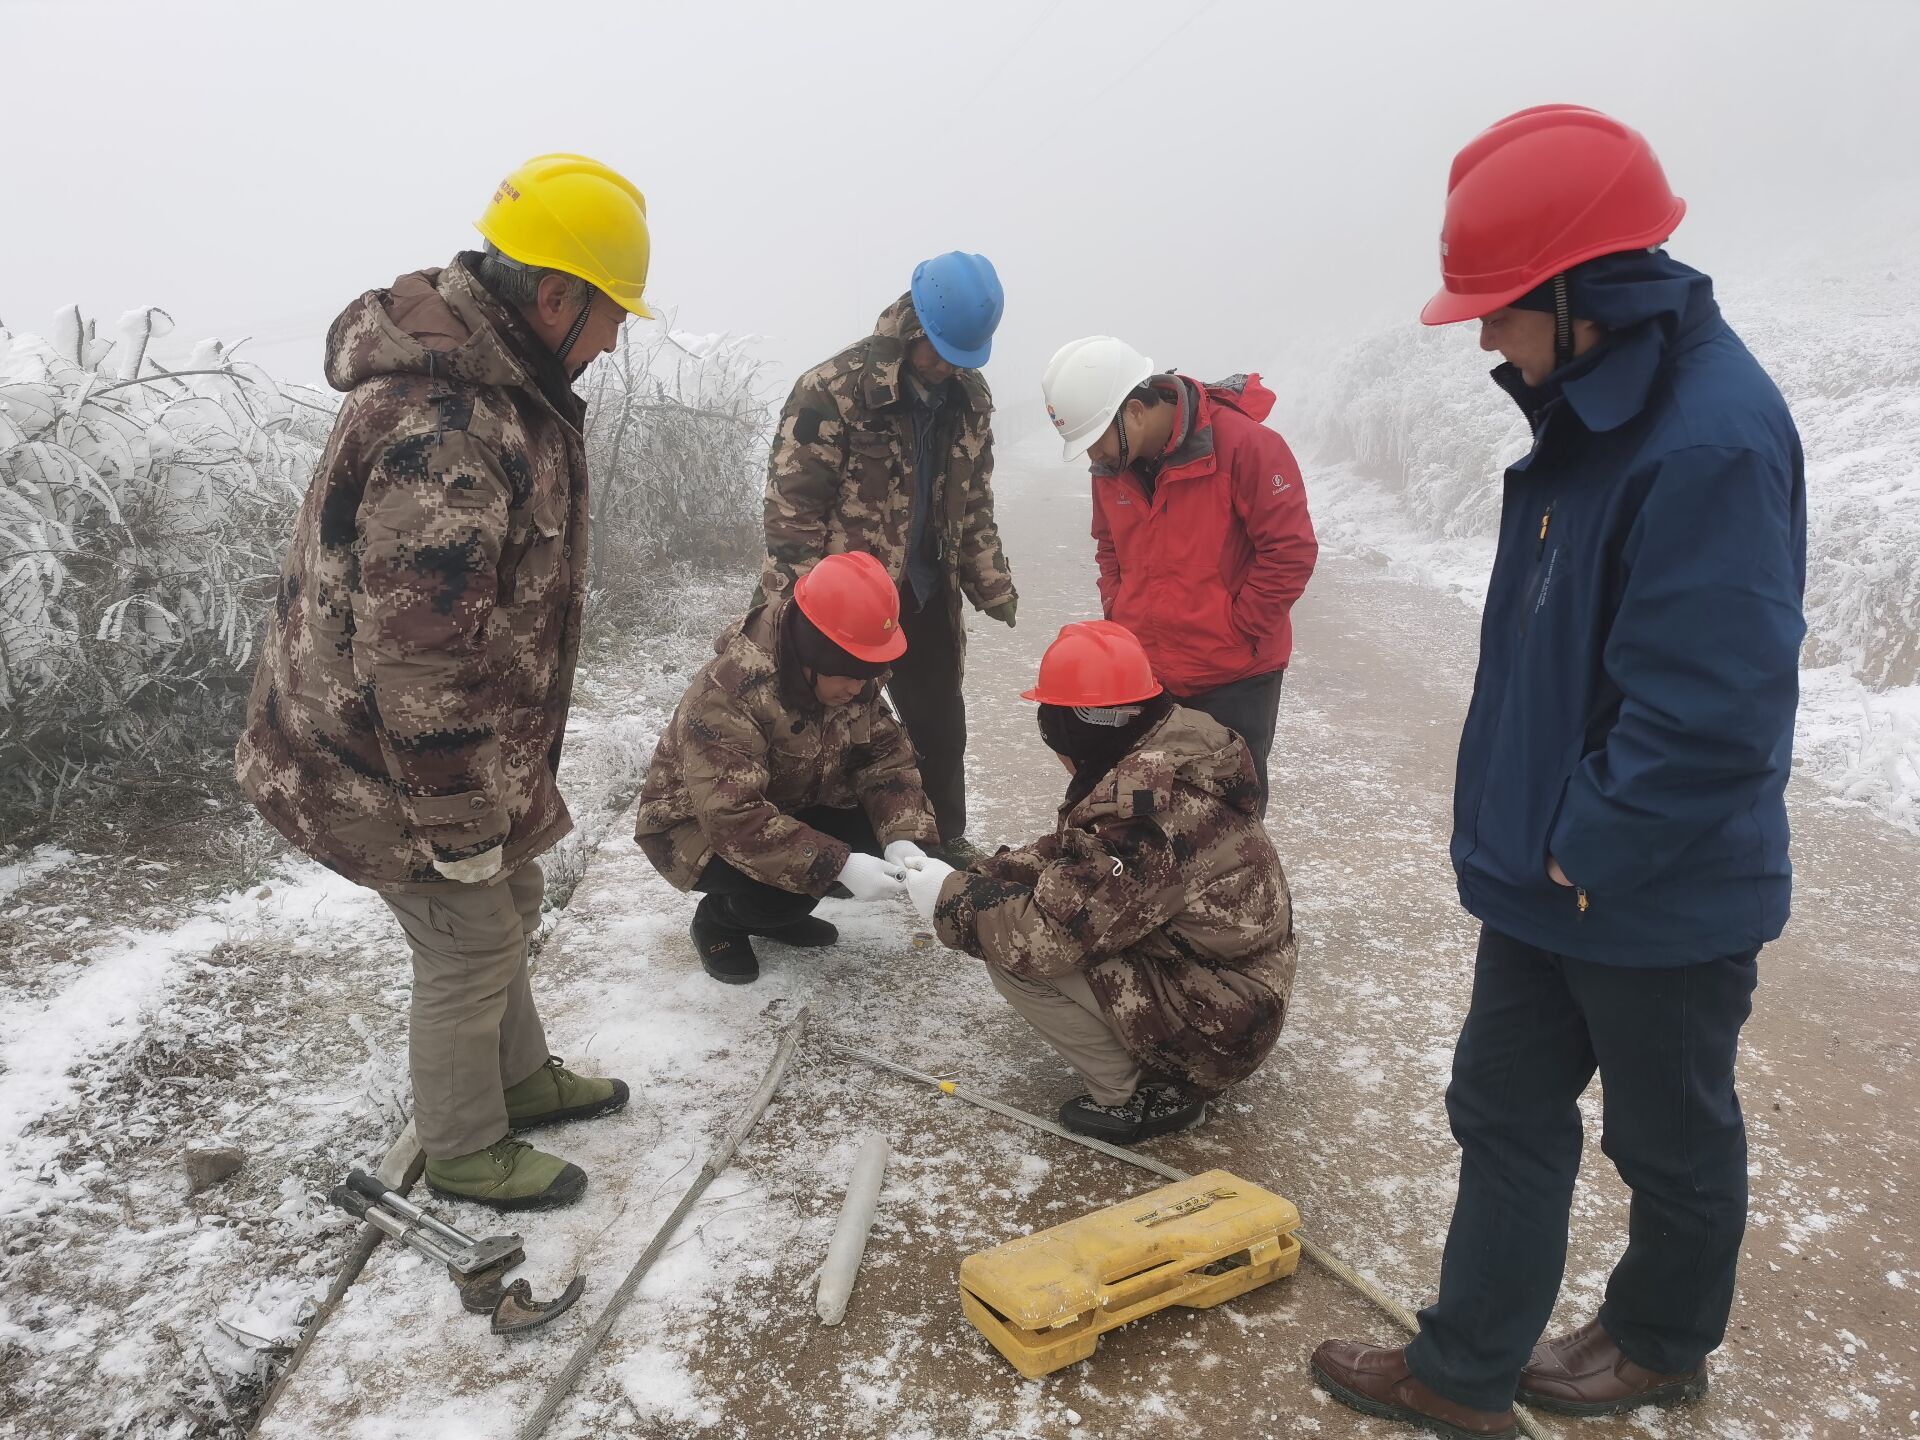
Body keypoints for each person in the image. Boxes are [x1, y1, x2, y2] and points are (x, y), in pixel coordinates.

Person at [1311, 105, 1806, 1439]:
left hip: (1652, 885)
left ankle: (1659, 1341)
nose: (1484, 337)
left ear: (1585, 292)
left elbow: (1709, 715)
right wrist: (1539, 844)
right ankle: (1464, 1369)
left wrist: (1582, 842)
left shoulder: (1706, 439)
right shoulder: (1600, 408)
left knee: (1668, 1137)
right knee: (1502, 1104)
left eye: (1499, 307)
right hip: (1551, 869)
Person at [236, 155, 651, 1210]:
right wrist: (460, 819)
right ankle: (466, 1147)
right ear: (554, 297)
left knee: (510, 890)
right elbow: (418, 657)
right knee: (467, 936)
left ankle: (519, 1077)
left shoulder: (503, 390)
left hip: (451, 738)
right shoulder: (450, 428)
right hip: (385, 753)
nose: (612, 341)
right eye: (611, 315)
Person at [904, 620, 1297, 1143]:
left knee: (1011, 951)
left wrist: (949, 900)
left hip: (1219, 1029)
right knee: (1015, 906)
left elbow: (1045, 938)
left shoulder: (1147, 816)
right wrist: (980, 876)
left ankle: (1132, 1094)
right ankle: (1157, 1058)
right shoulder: (1171, 754)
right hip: (1235, 993)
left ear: (1072, 731)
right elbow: (1075, 857)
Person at [758, 253, 1017, 866]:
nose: (949, 366)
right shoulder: (833, 390)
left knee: (939, 727)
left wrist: (991, 582)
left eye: (963, 357)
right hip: (839, 602)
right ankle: (806, 859)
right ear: (914, 327)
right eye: (941, 351)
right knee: (820, 729)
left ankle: (940, 844)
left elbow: (973, 503)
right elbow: (792, 514)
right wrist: (806, 615)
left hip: (924, 593)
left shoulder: (969, 400)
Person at [1039, 337, 1317, 814]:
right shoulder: (1112, 467)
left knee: (1227, 817)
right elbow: (1109, 546)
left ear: (1135, 411)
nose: (1092, 457)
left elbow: (1289, 550)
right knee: (1144, 810)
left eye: (1095, 440)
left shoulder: (1246, 446)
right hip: (1148, 675)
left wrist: (1239, 629)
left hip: (1235, 676)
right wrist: (1120, 612)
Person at [636, 552, 939, 984]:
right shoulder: (729, 694)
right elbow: (732, 818)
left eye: (866, 674)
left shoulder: (846, 675)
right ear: (814, 652)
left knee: (872, 836)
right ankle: (720, 921)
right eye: (848, 674)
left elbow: (885, 757)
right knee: (798, 884)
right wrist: (839, 865)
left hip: (789, 799)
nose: (857, 688)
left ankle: (776, 914)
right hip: (696, 827)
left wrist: (901, 838)